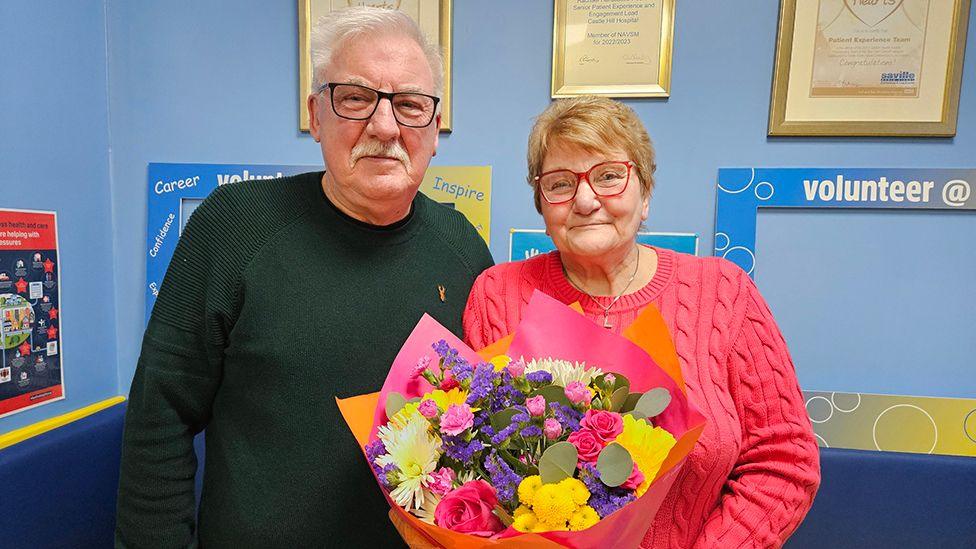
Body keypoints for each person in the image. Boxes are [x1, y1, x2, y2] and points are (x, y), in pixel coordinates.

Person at [115, 7, 493, 547]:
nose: (385, 127)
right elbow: (159, 421)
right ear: (316, 116)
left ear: (435, 130)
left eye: (410, 105)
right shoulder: (233, 228)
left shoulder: (464, 251)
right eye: (356, 98)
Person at [462, 96, 820, 548]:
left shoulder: (723, 292)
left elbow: (783, 461)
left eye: (609, 176)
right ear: (541, 204)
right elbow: (473, 461)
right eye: (560, 183)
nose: (586, 200)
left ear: (645, 194)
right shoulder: (498, 294)